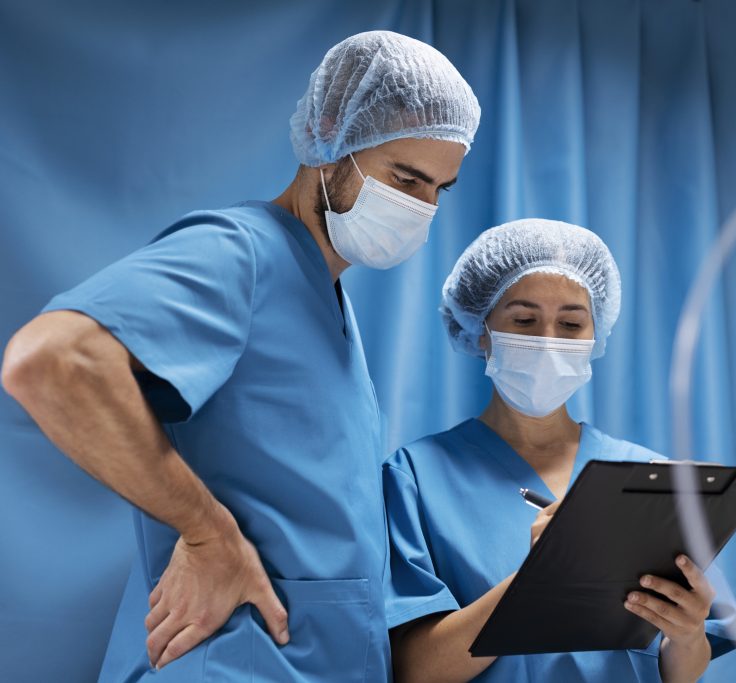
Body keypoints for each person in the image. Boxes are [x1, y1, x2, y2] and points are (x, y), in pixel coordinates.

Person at [1, 31, 479, 682]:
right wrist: (207, 533)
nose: (420, 209)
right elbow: (49, 359)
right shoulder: (244, 253)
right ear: (331, 135)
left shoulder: (322, 297)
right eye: (405, 178)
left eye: (438, 190)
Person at [383, 219, 736, 683]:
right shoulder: (415, 478)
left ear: (595, 337)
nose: (548, 339)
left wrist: (688, 635)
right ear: (480, 329)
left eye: (571, 323)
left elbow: (676, 671)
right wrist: (535, 580)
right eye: (523, 319)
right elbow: (415, 670)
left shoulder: (646, 475)